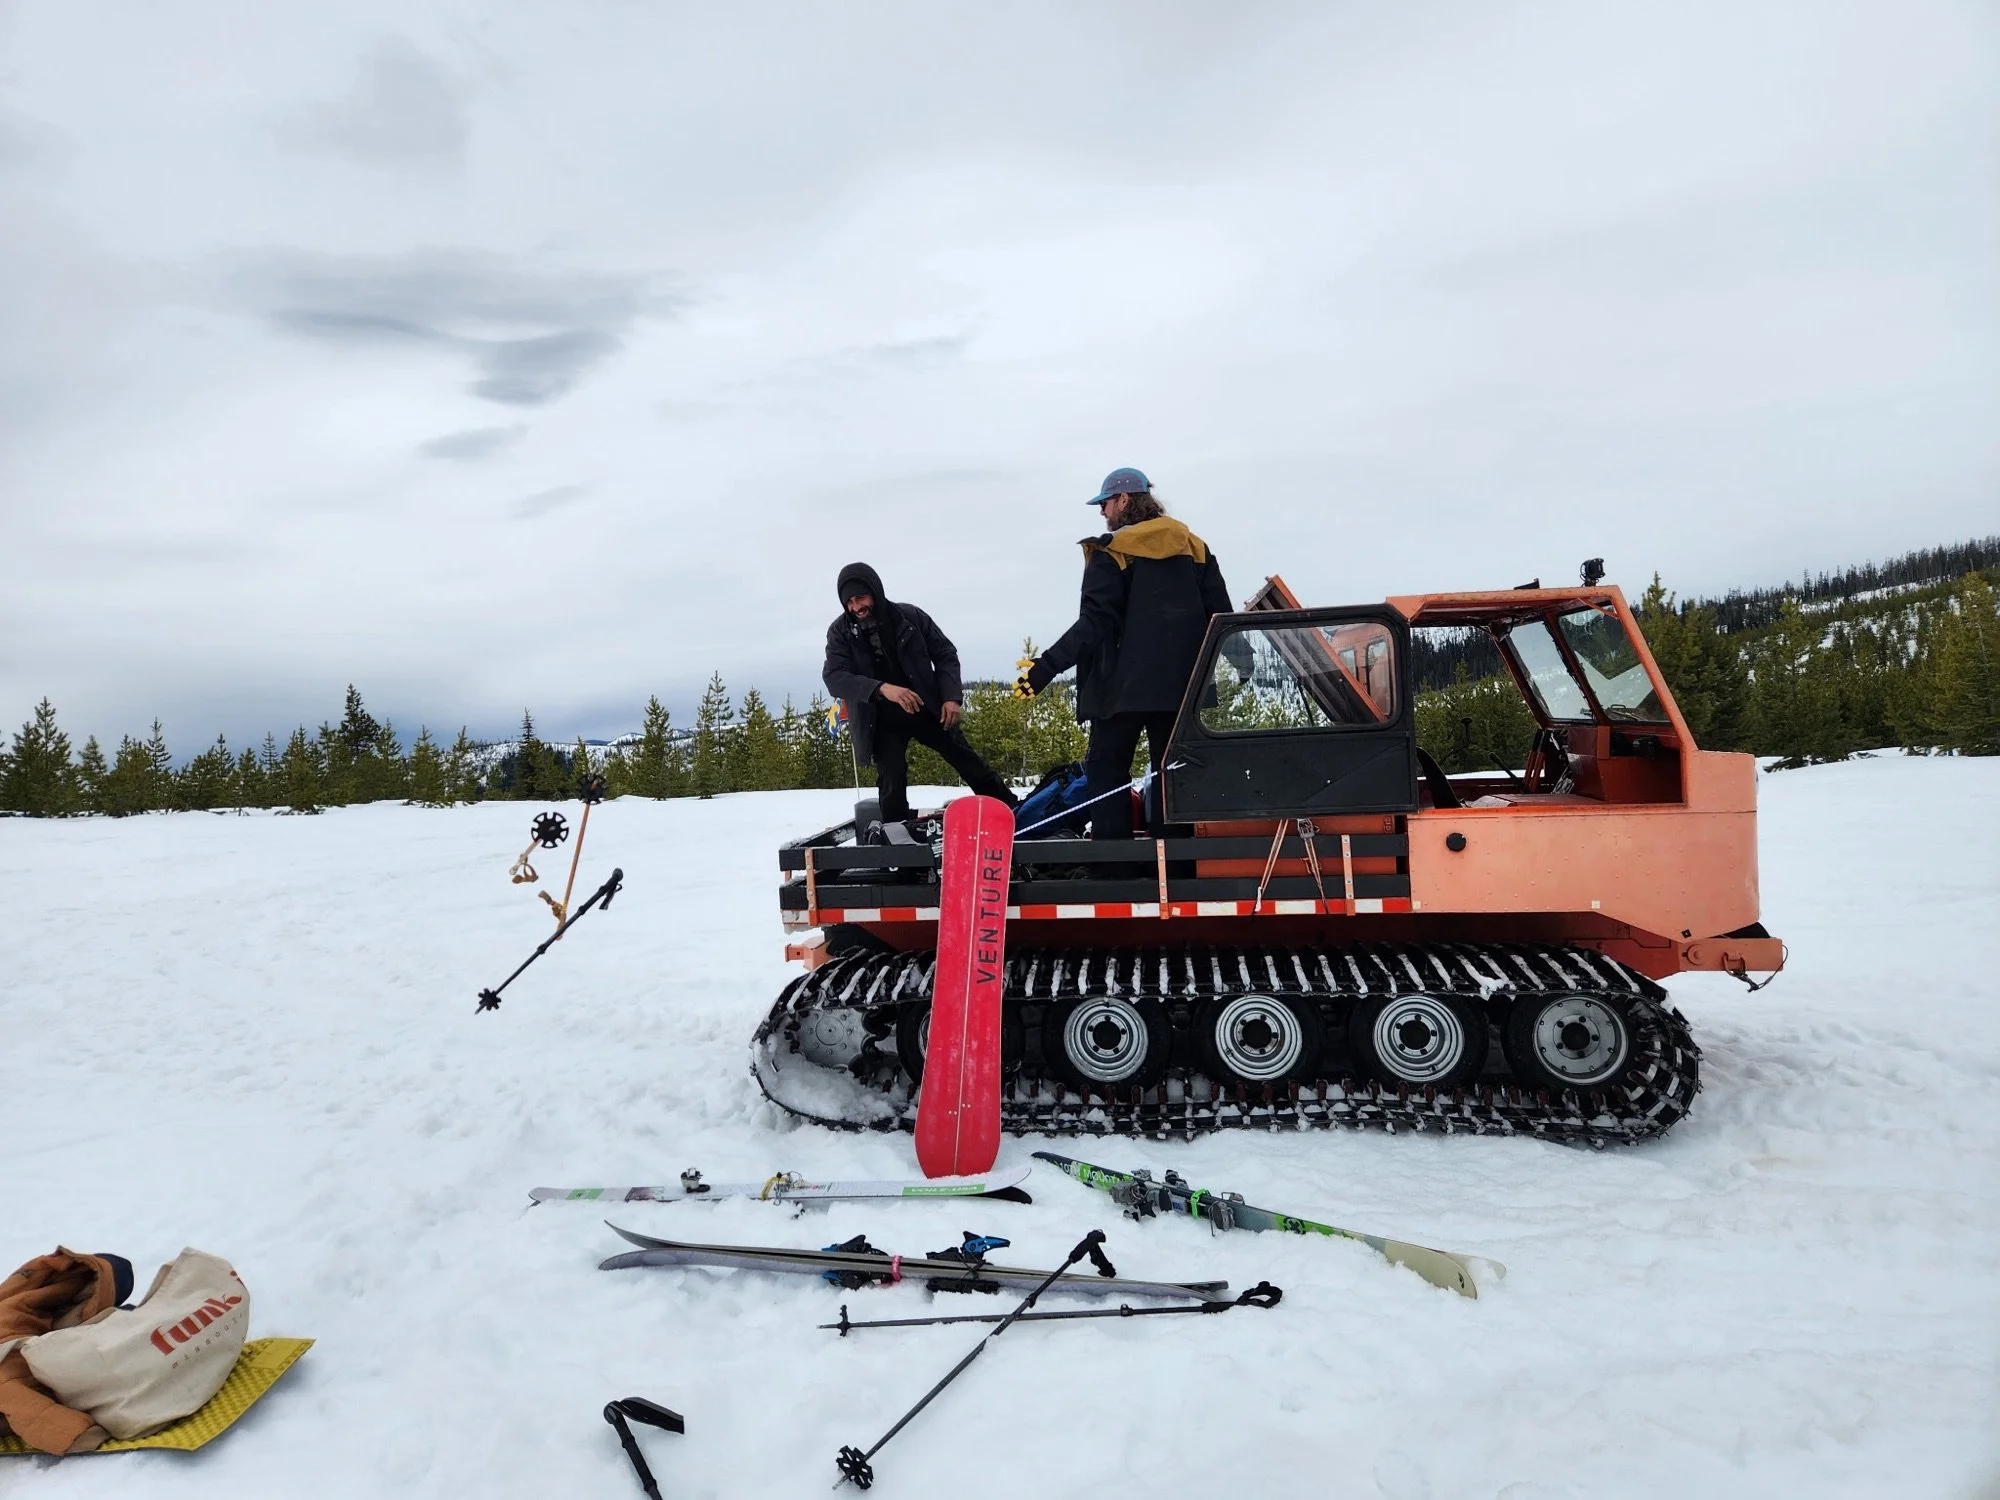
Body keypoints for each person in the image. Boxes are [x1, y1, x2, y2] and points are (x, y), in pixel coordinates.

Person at [1015, 468, 1232, 839]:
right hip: (1182, 688)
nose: (1103, 513)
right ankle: (1174, 867)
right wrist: (1244, 661)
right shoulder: (1195, 547)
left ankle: (1113, 871)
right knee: (1172, 775)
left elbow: (1095, 623)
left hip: (1121, 689)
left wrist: (1045, 667)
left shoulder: (1112, 551)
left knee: (1107, 774)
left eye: (1105, 504)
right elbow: (1222, 616)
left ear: (1125, 501)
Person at [822, 562, 1018, 824]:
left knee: (966, 759)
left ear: (875, 592)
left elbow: (945, 654)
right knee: (891, 778)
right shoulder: (840, 633)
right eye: (849, 602)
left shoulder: (910, 617)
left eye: (861, 598)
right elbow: (834, 677)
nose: (856, 607)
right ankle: (897, 839)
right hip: (880, 718)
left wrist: (951, 697)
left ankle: (1011, 811)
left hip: (926, 706)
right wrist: (882, 688)